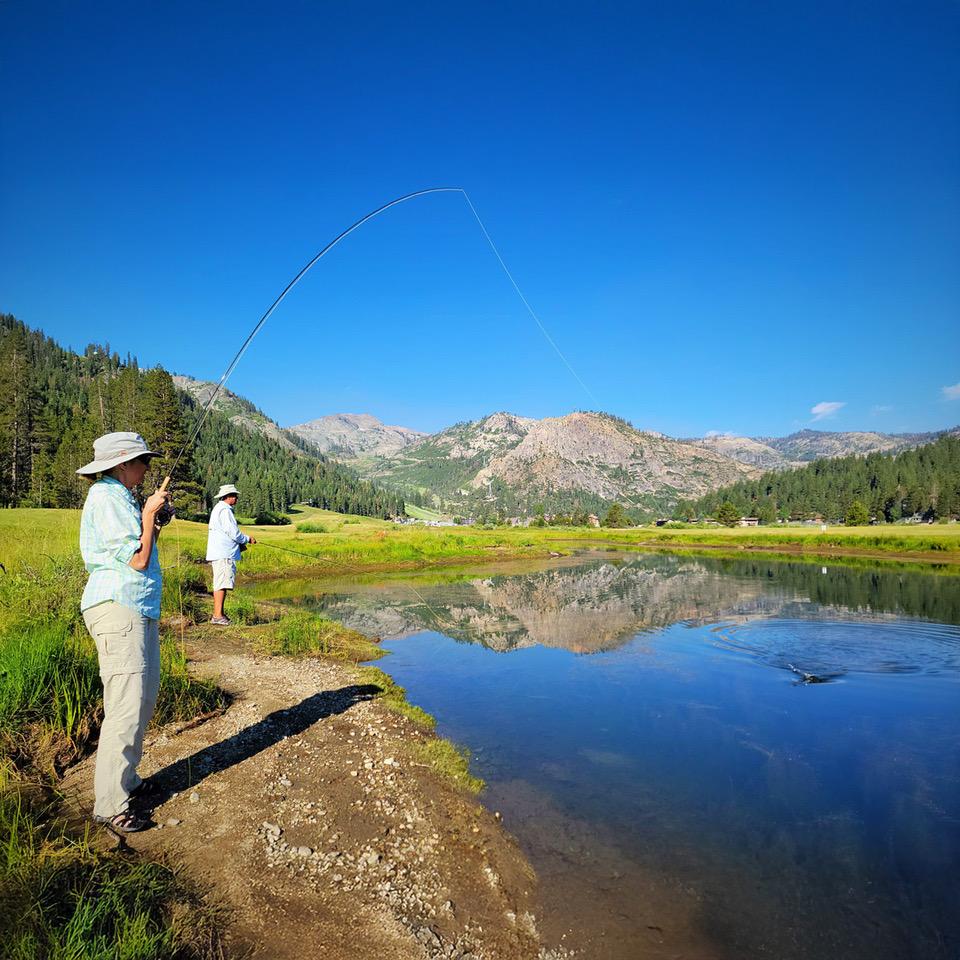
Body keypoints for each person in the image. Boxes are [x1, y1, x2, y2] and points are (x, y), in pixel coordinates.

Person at [77, 431, 170, 833]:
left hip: (136, 608)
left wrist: (154, 523)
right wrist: (149, 515)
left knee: (143, 696)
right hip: (118, 608)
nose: (147, 467)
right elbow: (137, 560)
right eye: (141, 460)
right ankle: (110, 803)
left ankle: (127, 781)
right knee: (126, 703)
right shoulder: (106, 496)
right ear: (120, 463)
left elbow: (141, 547)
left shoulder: (120, 497)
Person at [206, 483, 255, 625]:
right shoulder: (225, 510)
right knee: (221, 584)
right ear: (228, 497)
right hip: (224, 554)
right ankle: (217, 616)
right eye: (235, 496)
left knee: (221, 583)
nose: (237, 499)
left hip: (221, 553)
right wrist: (247, 539)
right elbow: (233, 532)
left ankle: (219, 614)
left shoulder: (219, 509)